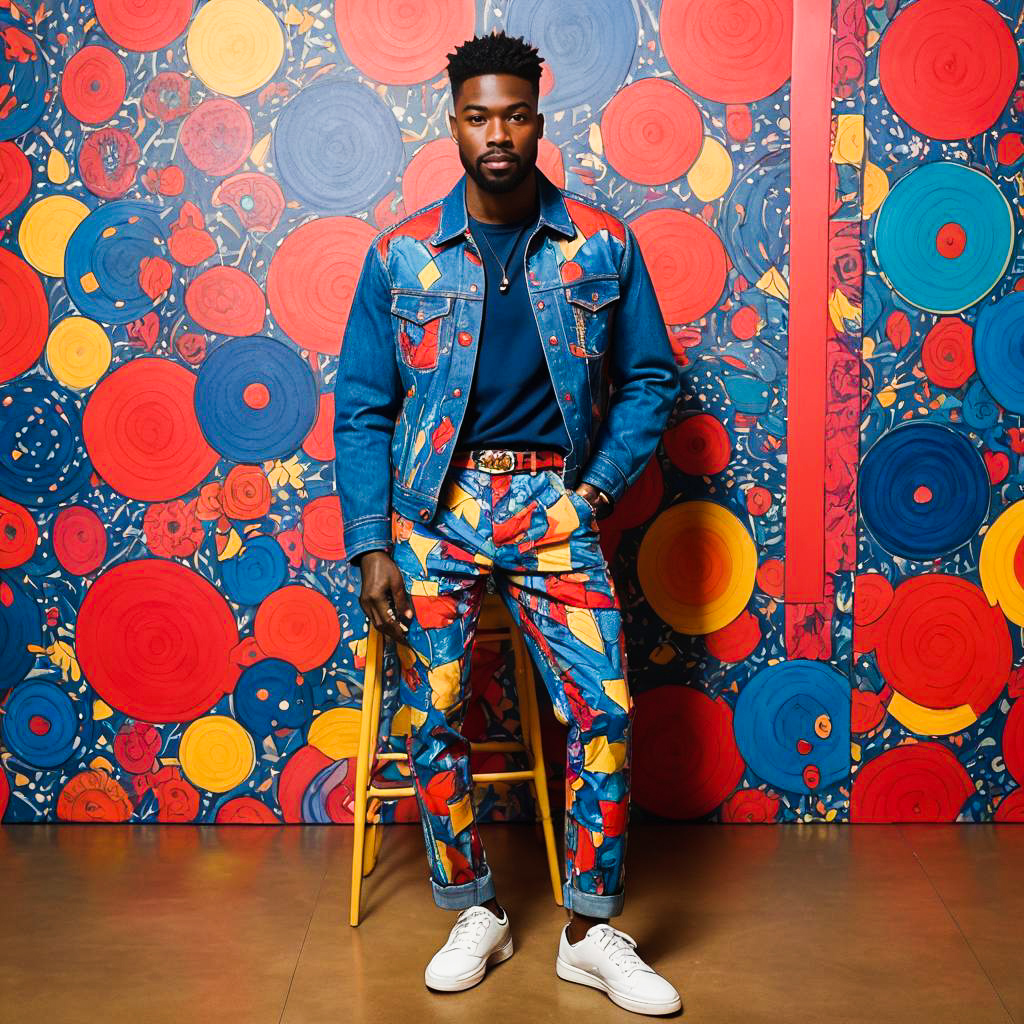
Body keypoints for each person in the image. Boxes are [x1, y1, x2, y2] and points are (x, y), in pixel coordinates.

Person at [333, 29, 682, 1017]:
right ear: (452, 121)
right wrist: (371, 543)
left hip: (550, 507)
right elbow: (361, 404)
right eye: (478, 115)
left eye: (515, 114)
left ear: (540, 117)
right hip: (430, 513)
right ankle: (474, 907)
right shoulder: (400, 253)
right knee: (431, 715)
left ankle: (587, 930)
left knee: (606, 711)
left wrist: (595, 495)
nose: (497, 133)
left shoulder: (602, 244)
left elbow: (651, 379)